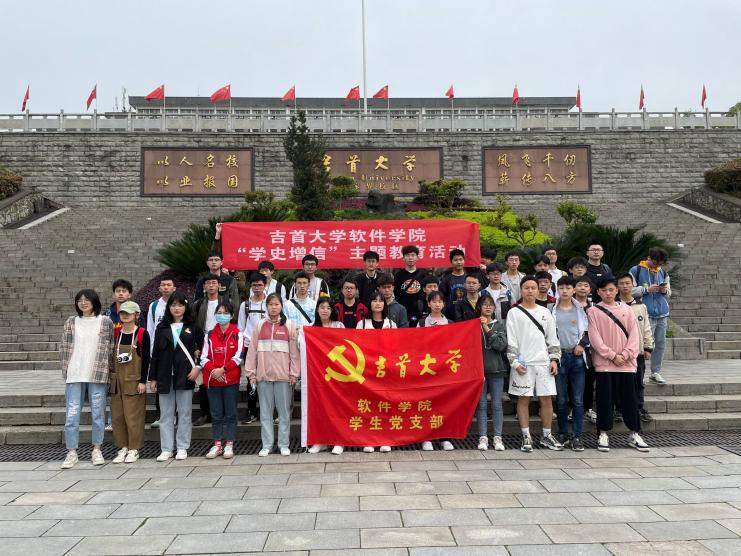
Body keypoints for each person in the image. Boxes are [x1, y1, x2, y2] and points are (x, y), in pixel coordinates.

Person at [588, 277, 649, 453]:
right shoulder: (593, 311)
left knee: (630, 401)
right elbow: (594, 338)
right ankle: (603, 433)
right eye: (604, 290)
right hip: (605, 365)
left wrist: (625, 355)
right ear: (598, 292)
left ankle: (634, 433)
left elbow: (634, 336)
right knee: (604, 400)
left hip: (627, 365)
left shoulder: (627, 310)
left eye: (611, 289)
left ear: (616, 290)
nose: (608, 293)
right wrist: (612, 355)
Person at [59, 289, 115, 469]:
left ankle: (97, 449)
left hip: (97, 374)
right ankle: (71, 452)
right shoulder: (71, 322)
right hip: (75, 375)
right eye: (79, 300)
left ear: (94, 302)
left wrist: (109, 372)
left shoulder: (105, 322)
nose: (83, 303)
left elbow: (111, 348)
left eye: (86, 300)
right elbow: (64, 348)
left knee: (98, 414)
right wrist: (66, 370)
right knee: (72, 415)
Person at [506, 276, 563, 452]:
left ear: (538, 290)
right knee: (523, 399)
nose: (530, 291)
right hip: (523, 364)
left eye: (533, 287)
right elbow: (511, 340)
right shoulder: (514, 312)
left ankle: (547, 435)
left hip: (543, 363)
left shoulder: (545, 312)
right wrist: (514, 362)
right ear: (521, 290)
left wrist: (554, 359)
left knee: (546, 399)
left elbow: (553, 338)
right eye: (526, 287)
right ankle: (526, 436)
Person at [148, 292, 204, 462]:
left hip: (186, 374)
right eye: (173, 305)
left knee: (185, 413)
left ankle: (182, 447)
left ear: (186, 307)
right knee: (166, 414)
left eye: (180, 305)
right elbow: (155, 354)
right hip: (164, 375)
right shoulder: (162, 327)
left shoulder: (193, 327)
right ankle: (166, 448)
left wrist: (198, 367)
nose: (177, 308)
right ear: (169, 307)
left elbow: (204, 349)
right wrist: (153, 378)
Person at [245, 293, 300, 457]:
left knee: (284, 413)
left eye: (276, 304)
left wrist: (294, 373)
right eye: (270, 304)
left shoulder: (289, 326)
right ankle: (267, 445)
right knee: (265, 413)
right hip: (263, 377)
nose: (273, 307)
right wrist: (251, 373)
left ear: (281, 306)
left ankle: (283, 444)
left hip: (284, 377)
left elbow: (294, 354)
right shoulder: (260, 326)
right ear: (266, 306)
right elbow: (252, 351)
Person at [201, 302, 243, 460]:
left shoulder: (238, 334)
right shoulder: (209, 334)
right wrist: (214, 371)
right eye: (219, 312)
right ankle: (217, 444)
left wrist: (223, 370)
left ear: (232, 316)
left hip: (230, 380)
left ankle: (230, 443)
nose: (222, 315)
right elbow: (203, 357)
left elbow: (238, 357)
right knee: (216, 413)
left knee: (231, 413)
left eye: (225, 313)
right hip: (213, 380)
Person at [551, 276, 589, 451]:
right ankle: (562, 433)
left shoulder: (582, 309)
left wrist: (582, 344)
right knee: (561, 399)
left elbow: (589, 330)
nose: (565, 291)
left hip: (577, 357)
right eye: (561, 288)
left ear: (573, 290)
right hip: (559, 357)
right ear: (557, 290)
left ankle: (577, 436)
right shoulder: (551, 309)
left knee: (578, 400)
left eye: (568, 288)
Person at [110, 301, 149, 464]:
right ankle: (123, 447)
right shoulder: (116, 333)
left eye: (129, 313)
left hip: (134, 381)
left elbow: (146, 360)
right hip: (117, 382)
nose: (125, 315)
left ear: (136, 315)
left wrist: (143, 382)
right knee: (118, 417)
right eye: (122, 313)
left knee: (133, 417)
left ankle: (134, 448)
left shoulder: (142, 333)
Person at [416, 291, 455, 451]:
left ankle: (444, 437)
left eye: (440, 301)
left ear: (444, 304)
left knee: (444, 404)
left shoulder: (450, 323)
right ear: (429, 303)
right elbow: (416, 345)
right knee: (427, 404)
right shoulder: (422, 323)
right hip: (427, 368)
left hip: (444, 370)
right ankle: (427, 438)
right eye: (434, 301)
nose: (437, 304)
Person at [308, 298, 346, 456]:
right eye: (322, 307)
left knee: (337, 408)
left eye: (328, 308)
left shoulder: (339, 326)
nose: (325, 310)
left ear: (332, 311)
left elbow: (347, 346)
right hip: (318, 375)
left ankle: (339, 441)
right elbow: (302, 346)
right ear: (317, 310)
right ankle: (320, 440)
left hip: (337, 374)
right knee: (320, 408)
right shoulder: (311, 328)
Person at [357, 291, 393, 454]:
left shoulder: (391, 324)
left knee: (385, 406)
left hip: (386, 371)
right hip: (368, 371)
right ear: (369, 304)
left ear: (384, 304)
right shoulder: (362, 324)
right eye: (374, 300)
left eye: (381, 301)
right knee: (368, 406)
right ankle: (369, 439)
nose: (378, 303)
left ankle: (385, 439)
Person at [617, 272, 655, 422]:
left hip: (637, 352)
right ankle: (619, 409)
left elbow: (646, 328)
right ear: (617, 286)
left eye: (627, 283)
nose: (625, 286)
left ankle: (639, 407)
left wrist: (648, 347)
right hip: (619, 352)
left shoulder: (641, 306)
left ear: (633, 285)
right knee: (620, 381)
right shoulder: (613, 305)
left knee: (638, 382)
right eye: (621, 283)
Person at [630, 247, 671, 385]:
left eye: (660, 263)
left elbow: (669, 293)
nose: (657, 266)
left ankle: (655, 372)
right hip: (643, 313)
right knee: (643, 344)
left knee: (660, 343)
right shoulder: (636, 270)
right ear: (649, 258)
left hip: (662, 313)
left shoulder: (663, 272)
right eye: (655, 262)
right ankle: (639, 372)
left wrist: (664, 290)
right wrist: (646, 290)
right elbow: (629, 290)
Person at [476, 294, 508, 451]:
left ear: (495, 308)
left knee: (497, 405)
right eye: (485, 304)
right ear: (479, 307)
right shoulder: (473, 325)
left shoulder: (499, 325)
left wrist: (487, 328)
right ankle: (483, 437)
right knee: (481, 405)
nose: (488, 307)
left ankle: (497, 437)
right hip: (479, 372)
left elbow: (501, 345)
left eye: (491, 305)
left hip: (496, 370)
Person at [193, 276, 225, 427]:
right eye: (208, 283)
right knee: (203, 380)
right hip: (203, 342)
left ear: (219, 285)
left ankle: (221, 413)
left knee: (221, 376)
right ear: (204, 286)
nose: (211, 286)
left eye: (214, 283)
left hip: (222, 341)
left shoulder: (225, 302)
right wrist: (196, 346)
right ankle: (205, 413)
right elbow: (193, 326)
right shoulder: (198, 304)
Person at [237, 272, 268, 424]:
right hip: (250, 346)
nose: (257, 288)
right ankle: (251, 412)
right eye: (254, 285)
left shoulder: (270, 303)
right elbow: (241, 328)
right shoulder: (245, 305)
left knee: (267, 378)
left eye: (260, 285)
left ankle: (267, 411)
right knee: (251, 379)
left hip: (267, 346)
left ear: (265, 285)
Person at [146, 277, 176, 429]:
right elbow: (150, 329)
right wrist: (152, 350)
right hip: (160, 350)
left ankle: (175, 414)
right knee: (161, 383)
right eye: (163, 285)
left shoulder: (179, 304)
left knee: (177, 383)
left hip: (176, 349)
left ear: (174, 288)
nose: (165, 287)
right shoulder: (154, 306)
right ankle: (161, 415)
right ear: (159, 288)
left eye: (168, 285)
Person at [394, 245, 426, 327]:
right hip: (403, 311)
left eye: (413, 255)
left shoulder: (423, 274)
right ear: (403, 258)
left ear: (417, 257)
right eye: (407, 255)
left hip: (420, 311)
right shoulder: (398, 275)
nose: (410, 258)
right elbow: (395, 294)